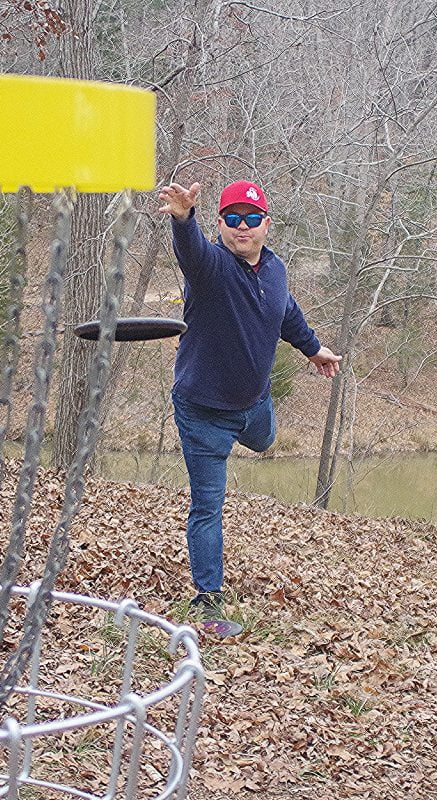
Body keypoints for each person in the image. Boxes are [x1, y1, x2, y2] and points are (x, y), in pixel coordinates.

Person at [157, 179, 341, 619]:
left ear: (266, 224)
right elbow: (192, 252)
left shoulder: (275, 270)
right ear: (220, 224)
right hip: (202, 412)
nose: (243, 226)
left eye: (252, 218)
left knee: (264, 440)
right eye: (233, 218)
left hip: (254, 404)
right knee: (207, 506)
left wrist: (313, 349)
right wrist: (184, 220)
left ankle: (253, 421)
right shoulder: (211, 267)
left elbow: (287, 312)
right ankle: (208, 599)